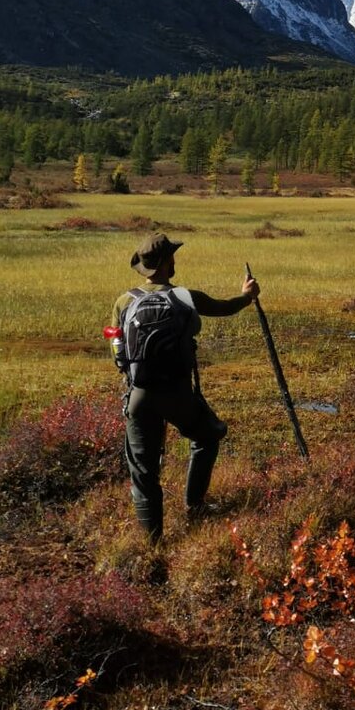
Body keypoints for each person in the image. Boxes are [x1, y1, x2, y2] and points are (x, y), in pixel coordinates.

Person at [110, 232, 259, 544]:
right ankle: (195, 507)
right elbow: (225, 307)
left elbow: (118, 354)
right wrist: (247, 295)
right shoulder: (186, 297)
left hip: (139, 395)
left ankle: (153, 543)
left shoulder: (124, 302)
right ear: (168, 263)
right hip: (178, 395)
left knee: (143, 470)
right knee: (207, 437)